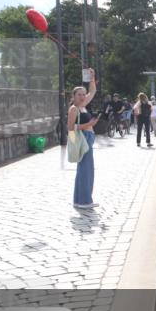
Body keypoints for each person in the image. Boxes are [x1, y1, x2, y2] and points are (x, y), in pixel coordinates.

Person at [68, 69, 99, 209]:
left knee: (86, 170)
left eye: (83, 94)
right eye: (79, 94)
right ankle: (84, 201)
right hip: (83, 140)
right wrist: (89, 125)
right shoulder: (74, 109)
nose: (82, 96)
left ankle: (80, 200)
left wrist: (92, 78)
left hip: (88, 139)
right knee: (85, 170)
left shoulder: (83, 106)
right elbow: (70, 128)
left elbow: (92, 91)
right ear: (73, 96)